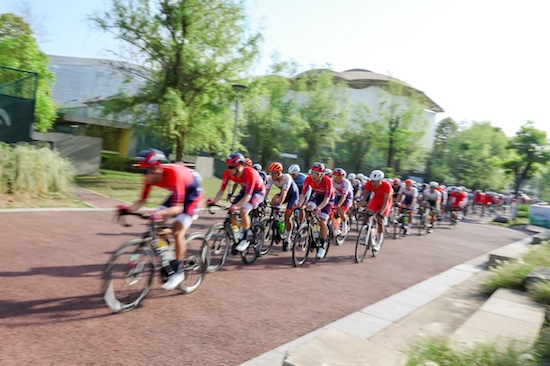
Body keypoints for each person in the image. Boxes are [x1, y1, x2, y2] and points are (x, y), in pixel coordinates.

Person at [117, 148, 204, 291]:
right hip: (178, 194)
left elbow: (177, 208)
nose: (146, 176)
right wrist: (128, 209)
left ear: (158, 168)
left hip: (192, 196)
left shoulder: (174, 174)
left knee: (177, 231)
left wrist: (158, 215)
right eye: (143, 171)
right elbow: (142, 200)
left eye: (147, 171)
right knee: (157, 226)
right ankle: (170, 249)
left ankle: (179, 270)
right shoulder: (150, 178)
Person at [207, 153, 266, 252]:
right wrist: (214, 201)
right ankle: (238, 232)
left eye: (231, 167)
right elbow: (222, 190)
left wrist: (237, 206)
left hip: (257, 192)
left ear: (239, 166)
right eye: (228, 166)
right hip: (245, 190)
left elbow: (248, 196)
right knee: (231, 212)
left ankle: (245, 239)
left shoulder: (250, 173)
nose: (229, 169)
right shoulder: (227, 173)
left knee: (243, 210)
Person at [296, 162, 334, 259]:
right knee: (308, 209)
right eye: (312, 172)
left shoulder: (327, 180)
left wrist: (319, 208)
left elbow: (326, 199)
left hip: (327, 200)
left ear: (322, 174)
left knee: (322, 221)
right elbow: (303, 194)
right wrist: (299, 205)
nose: (313, 175)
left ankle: (322, 245)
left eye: (316, 174)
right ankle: (310, 229)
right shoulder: (308, 179)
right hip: (317, 196)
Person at [265, 162, 300, 251]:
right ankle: (276, 218)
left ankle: (288, 239)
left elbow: (284, 193)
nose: (272, 175)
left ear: (279, 173)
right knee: (273, 200)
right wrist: (262, 200)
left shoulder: (286, 178)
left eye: (274, 173)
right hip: (284, 193)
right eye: (271, 173)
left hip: (292, 195)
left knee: (287, 216)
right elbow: (266, 191)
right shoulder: (270, 179)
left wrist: (278, 204)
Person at [359, 169, 393, 251]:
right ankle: (366, 232)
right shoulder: (369, 183)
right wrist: (358, 206)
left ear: (381, 180)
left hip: (385, 202)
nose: (373, 183)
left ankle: (378, 243)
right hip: (375, 200)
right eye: (372, 181)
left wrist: (381, 212)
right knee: (367, 213)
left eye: (376, 182)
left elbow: (385, 202)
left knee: (380, 220)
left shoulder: (386, 185)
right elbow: (365, 196)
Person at [331, 168, 353, 236]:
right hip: (337, 195)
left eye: (338, 177)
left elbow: (344, 196)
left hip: (347, 196)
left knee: (341, 212)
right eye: (334, 176)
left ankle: (344, 225)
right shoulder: (332, 180)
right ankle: (334, 226)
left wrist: (339, 205)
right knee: (332, 211)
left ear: (342, 177)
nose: (336, 178)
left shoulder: (346, 183)